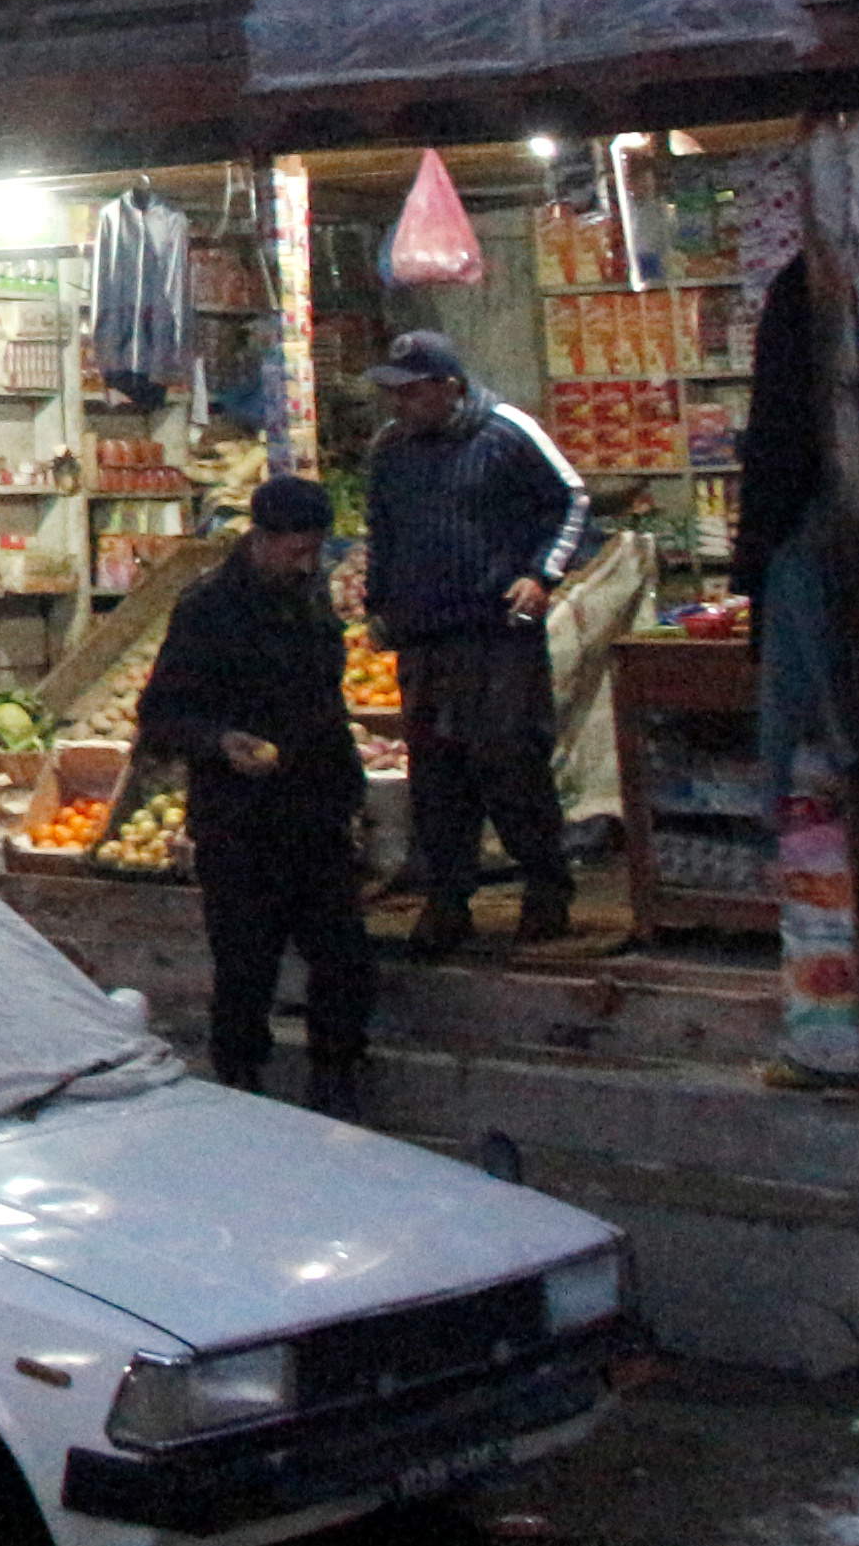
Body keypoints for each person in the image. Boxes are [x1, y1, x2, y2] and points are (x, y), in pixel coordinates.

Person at [132, 476, 378, 1116]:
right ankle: (242, 1090)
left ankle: (336, 1082)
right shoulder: (207, 608)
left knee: (344, 957)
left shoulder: (310, 599)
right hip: (239, 824)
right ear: (261, 539)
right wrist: (221, 742)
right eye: (296, 551)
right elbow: (160, 715)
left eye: (315, 552)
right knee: (245, 968)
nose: (308, 564)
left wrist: (348, 795)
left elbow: (325, 704)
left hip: (317, 812)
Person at [363, 328, 593, 954]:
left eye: (411, 393)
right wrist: (378, 605)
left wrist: (541, 575)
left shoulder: (507, 430)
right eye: (395, 394)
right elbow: (382, 531)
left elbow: (572, 500)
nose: (400, 406)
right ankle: (447, 901)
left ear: (449, 387)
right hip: (423, 639)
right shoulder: (389, 451)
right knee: (437, 774)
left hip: (496, 635)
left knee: (510, 761)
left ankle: (547, 887)